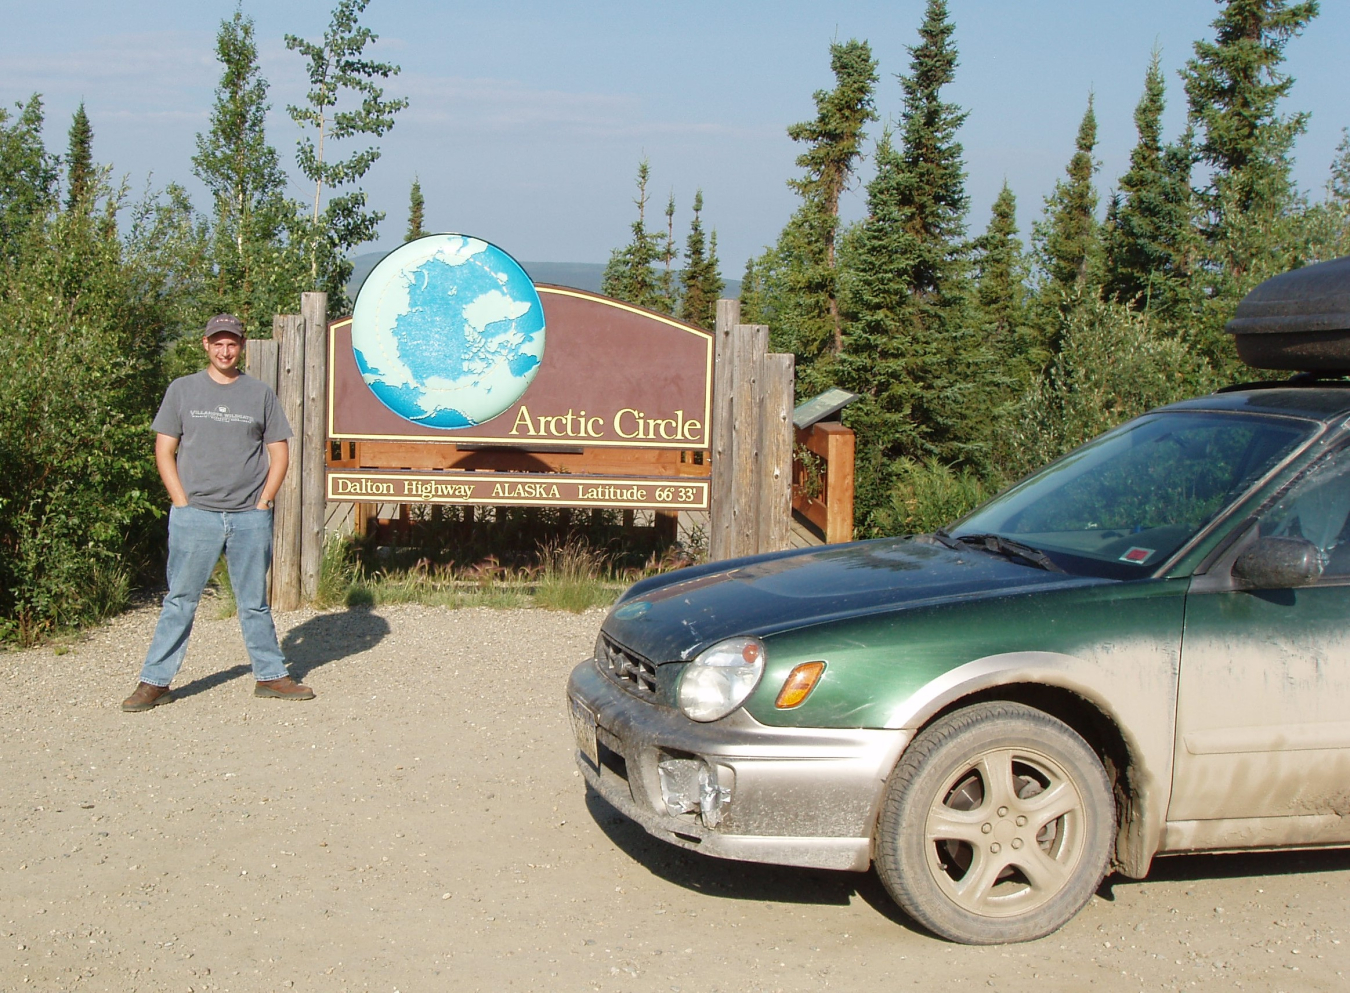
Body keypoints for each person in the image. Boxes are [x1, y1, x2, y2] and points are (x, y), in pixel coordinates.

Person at [122, 313, 315, 712]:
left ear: (241, 346)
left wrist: (264, 500)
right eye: (218, 343)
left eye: (232, 344)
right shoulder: (183, 390)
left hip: (248, 516)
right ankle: (155, 681)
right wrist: (180, 500)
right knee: (180, 599)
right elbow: (164, 449)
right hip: (196, 514)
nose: (225, 351)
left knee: (254, 601)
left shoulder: (259, 393)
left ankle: (271, 675)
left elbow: (280, 452)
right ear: (206, 345)